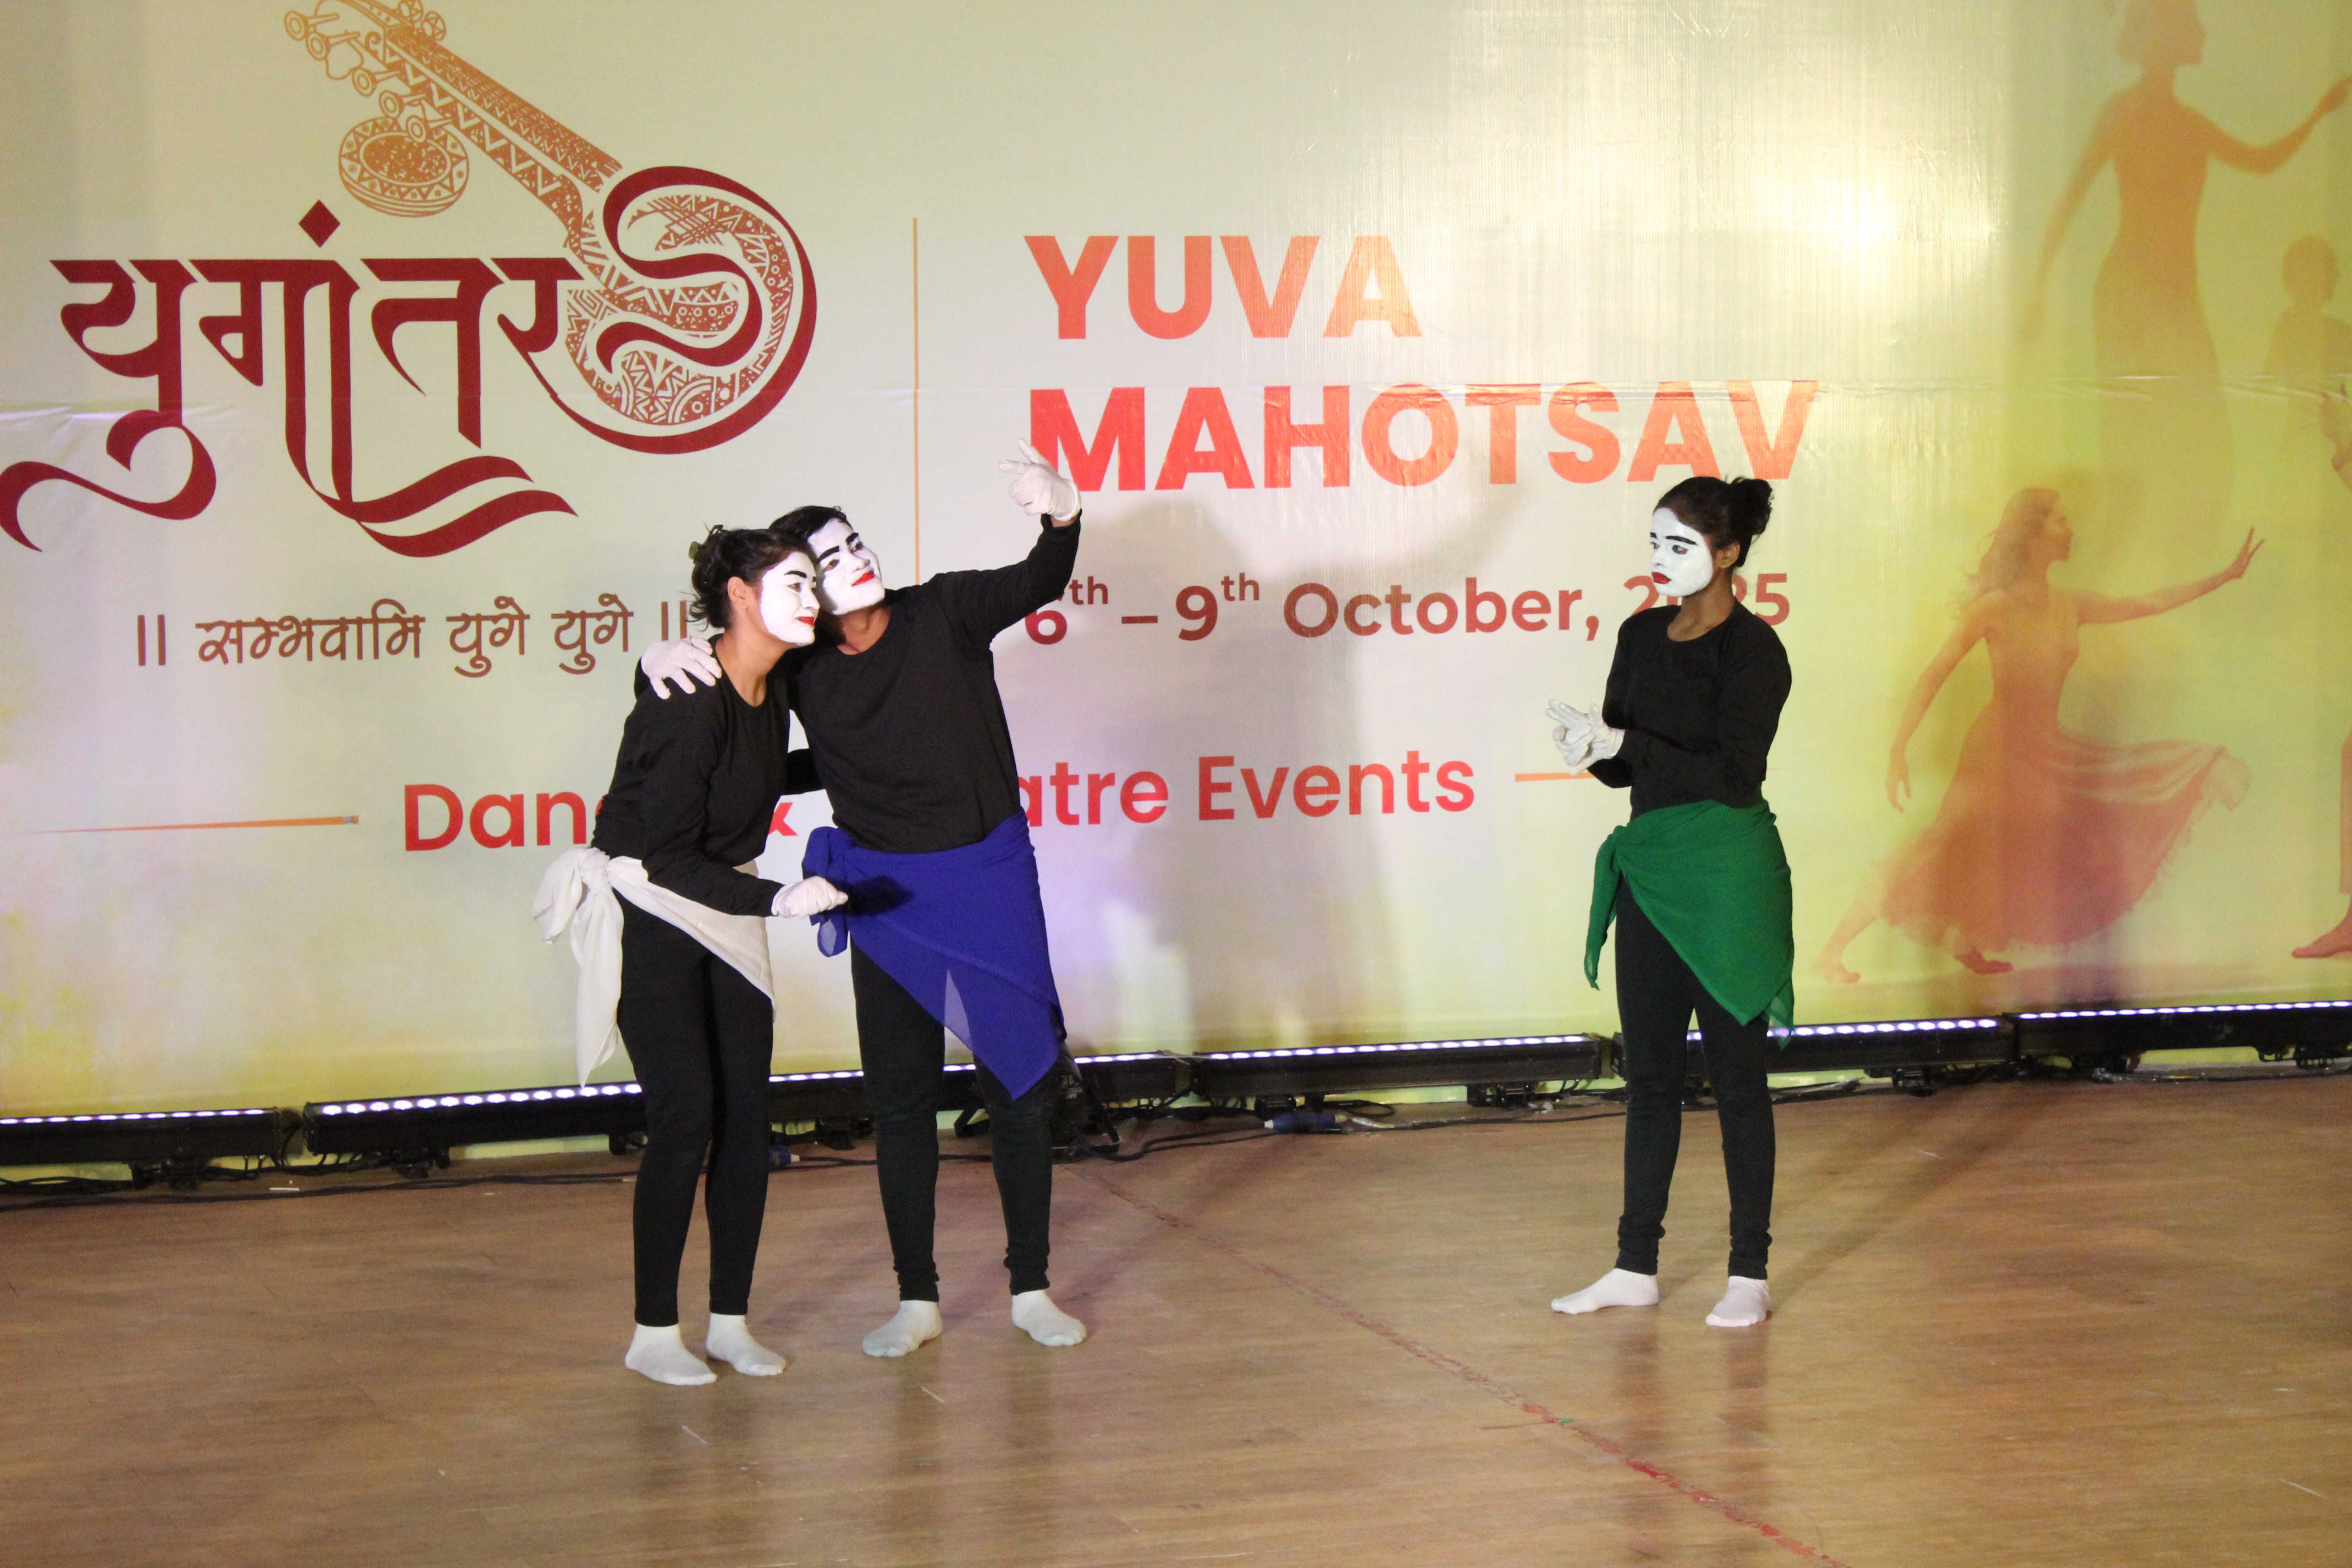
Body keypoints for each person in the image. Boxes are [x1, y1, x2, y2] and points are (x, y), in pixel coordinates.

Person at [640, 443, 1091, 1357]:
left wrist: (1062, 512)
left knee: (1020, 1086)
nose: (857, 561)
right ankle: (917, 1298)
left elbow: (1042, 576)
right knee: (899, 1099)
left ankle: (1030, 1287)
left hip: (988, 880)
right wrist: (661, 661)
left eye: (857, 544)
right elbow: (735, 721)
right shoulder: (800, 668)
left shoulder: (945, 609)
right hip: (883, 892)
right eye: (831, 559)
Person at [534, 528, 847, 1387]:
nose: (813, 597)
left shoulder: (774, 681)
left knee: (746, 1119)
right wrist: (779, 898)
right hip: (654, 904)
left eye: (813, 582)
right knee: (685, 1117)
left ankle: (731, 1324)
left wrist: (861, 761)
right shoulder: (688, 697)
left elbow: (757, 770)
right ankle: (653, 1332)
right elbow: (669, 859)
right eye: (793, 582)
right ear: (740, 596)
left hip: (724, 905)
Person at [1813, 490, 2257, 983]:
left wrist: (2223, 577)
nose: (2071, 530)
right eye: (2061, 521)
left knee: (2018, 846)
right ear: (2033, 534)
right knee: (1941, 847)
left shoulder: (2070, 606)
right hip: (1994, 750)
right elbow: (1935, 673)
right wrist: (1898, 750)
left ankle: (1965, 942)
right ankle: (1831, 952)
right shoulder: (1995, 607)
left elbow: (2147, 603)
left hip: (2047, 748)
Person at [1546, 478, 1793, 1330]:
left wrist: (1628, 744)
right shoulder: (1640, 634)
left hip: (1726, 880)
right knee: (1648, 1075)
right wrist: (1593, 750)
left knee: (1737, 1079)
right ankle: (1633, 1266)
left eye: (1679, 546)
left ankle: (1748, 1273)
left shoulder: (1754, 651)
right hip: (1651, 870)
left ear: (1727, 554)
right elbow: (1629, 769)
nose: (1661, 560)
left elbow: (1733, 777)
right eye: (1655, 543)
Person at [2024, 0, 2347, 542]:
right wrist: (2036, 293)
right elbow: (2069, 200)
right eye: (2191, 22)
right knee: (2133, 424)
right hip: (2130, 295)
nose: (2202, 31)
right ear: (2165, 35)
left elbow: (2262, 161)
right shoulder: (2126, 114)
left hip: (2172, 297)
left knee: (2196, 428)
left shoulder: (2186, 123)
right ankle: (2125, 544)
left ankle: (2179, 548)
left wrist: (2320, 112)